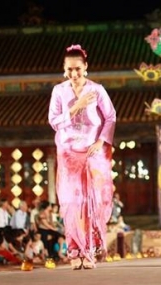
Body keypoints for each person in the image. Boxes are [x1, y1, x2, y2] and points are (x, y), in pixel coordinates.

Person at [48, 44, 116, 270]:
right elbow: (54, 122)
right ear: (64, 69)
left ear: (85, 67)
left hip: (91, 153)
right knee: (70, 203)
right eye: (69, 69)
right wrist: (76, 106)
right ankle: (74, 251)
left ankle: (90, 253)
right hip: (68, 154)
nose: (74, 74)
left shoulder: (97, 90)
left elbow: (110, 117)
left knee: (90, 203)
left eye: (77, 69)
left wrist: (101, 141)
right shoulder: (59, 91)